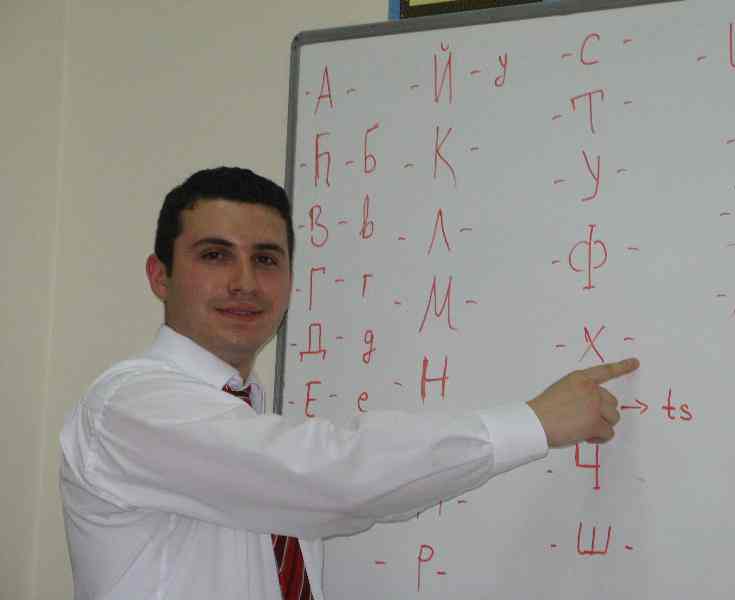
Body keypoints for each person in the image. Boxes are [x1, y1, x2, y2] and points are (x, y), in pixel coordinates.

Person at [59, 166, 639, 599]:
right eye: (215, 256)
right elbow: (337, 477)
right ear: (160, 276)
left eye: (267, 259)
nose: (245, 282)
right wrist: (535, 422)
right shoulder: (131, 406)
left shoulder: (250, 413)